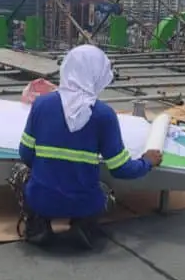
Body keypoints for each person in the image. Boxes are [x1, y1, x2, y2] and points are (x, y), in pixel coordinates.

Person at [13, 44, 162, 249]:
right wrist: (147, 161)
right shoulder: (103, 115)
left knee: (21, 175)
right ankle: (80, 225)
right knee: (103, 189)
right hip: (84, 203)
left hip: (41, 198)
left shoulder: (41, 105)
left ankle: (41, 224)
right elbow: (120, 169)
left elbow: (25, 154)